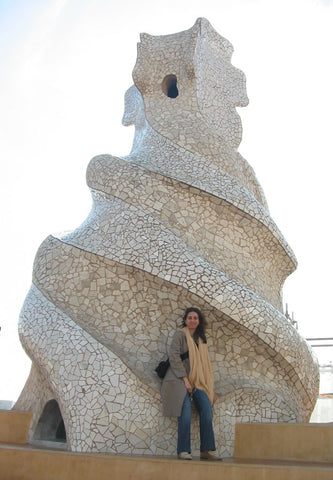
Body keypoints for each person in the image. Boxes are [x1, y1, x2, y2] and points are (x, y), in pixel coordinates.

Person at [161, 307, 221, 460]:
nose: (192, 320)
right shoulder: (180, 335)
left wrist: (209, 389)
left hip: (198, 381)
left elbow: (204, 366)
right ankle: (183, 450)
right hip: (178, 379)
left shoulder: (201, 340)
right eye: (190, 318)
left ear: (199, 321)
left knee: (206, 408)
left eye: (195, 318)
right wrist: (185, 379)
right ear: (185, 320)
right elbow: (174, 356)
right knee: (185, 411)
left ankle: (207, 450)